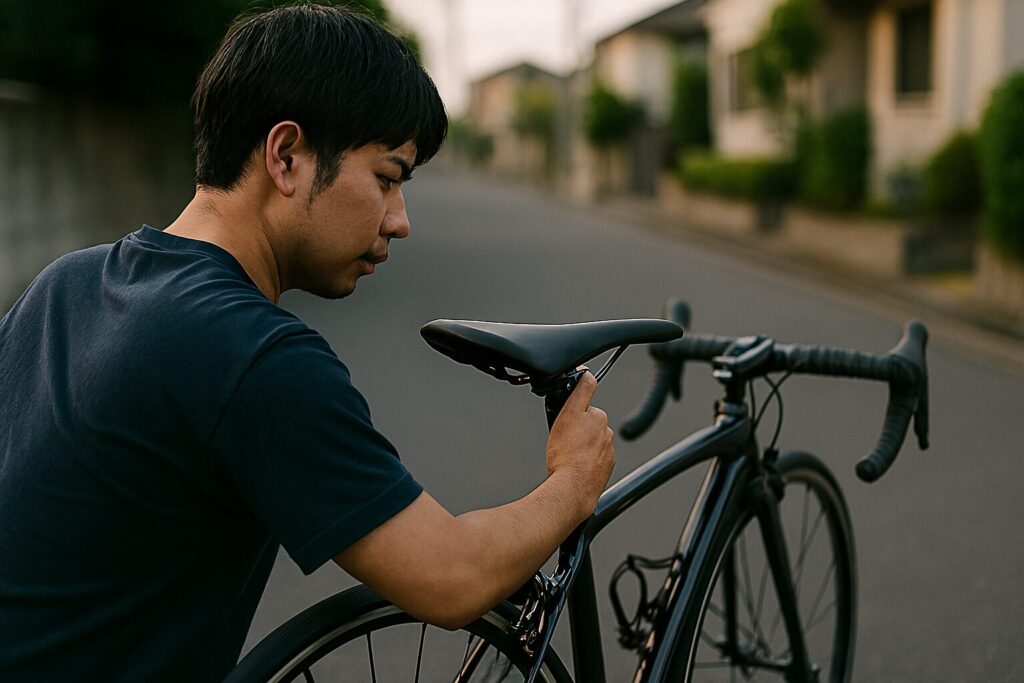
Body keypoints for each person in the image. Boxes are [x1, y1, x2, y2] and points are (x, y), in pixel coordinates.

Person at [0, 4, 615, 680]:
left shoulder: (63, 284)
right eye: (387, 177)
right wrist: (575, 481)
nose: (400, 219)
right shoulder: (251, 352)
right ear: (286, 155)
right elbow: (451, 576)